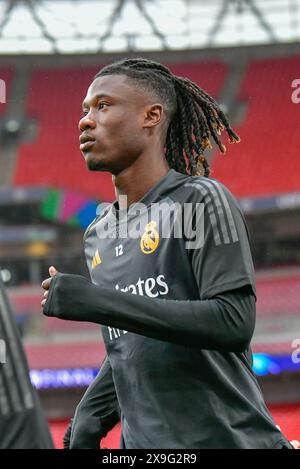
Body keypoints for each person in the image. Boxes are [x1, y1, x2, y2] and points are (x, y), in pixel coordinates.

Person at [41, 58, 297, 449]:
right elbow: (131, 340)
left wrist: (99, 302)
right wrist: (92, 411)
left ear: (152, 116)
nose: (85, 120)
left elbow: (233, 321)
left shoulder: (200, 200)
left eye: (103, 106)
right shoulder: (98, 233)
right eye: (84, 110)